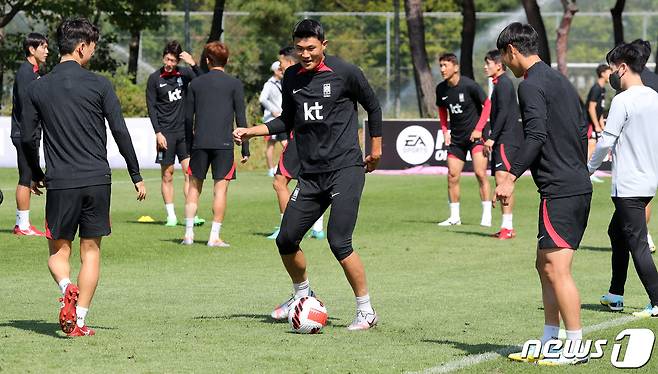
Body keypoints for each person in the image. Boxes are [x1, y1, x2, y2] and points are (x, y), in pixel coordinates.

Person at [233, 19, 382, 330]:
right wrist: (253, 132)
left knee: (338, 240)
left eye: (311, 48)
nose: (305, 54)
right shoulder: (290, 77)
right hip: (311, 175)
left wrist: (376, 149)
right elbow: (287, 119)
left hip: (345, 170)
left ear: (323, 46)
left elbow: (373, 105)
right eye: (300, 48)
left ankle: (366, 310)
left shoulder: (345, 72)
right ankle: (301, 295)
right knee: (286, 239)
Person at [21, 18, 147, 337]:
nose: (92, 51)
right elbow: (120, 132)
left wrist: (36, 174)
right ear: (81, 46)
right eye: (92, 46)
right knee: (90, 251)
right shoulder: (100, 85)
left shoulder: (38, 87)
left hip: (61, 182)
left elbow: (26, 138)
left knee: (57, 252)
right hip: (97, 180)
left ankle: (67, 288)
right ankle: (77, 320)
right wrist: (136, 175)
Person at [495, 22, 592, 365]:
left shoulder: (531, 84)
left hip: (561, 188)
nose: (505, 64)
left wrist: (509, 177)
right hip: (570, 184)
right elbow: (583, 131)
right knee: (544, 263)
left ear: (512, 51)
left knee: (557, 268)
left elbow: (534, 135)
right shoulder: (558, 80)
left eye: (504, 58)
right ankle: (550, 339)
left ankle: (576, 346)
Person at [592, 41, 658, 319]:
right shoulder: (654, 97)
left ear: (622, 67)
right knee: (616, 232)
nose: (610, 76)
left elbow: (607, 140)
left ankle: (657, 301)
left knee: (638, 243)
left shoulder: (623, 100)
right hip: (648, 181)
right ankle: (615, 294)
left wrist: (587, 168)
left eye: (611, 69)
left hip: (629, 184)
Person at [182, 41, 249, 247]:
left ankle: (188, 234)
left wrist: (188, 146)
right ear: (226, 61)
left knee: (194, 188)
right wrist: (245, 148)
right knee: (220, 191)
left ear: (208, 60)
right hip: (224, 144)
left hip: (199, 143)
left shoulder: (196, 84)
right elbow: (241, 118)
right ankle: (214, 237)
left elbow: (186, 118)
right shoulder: (235, 84)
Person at [268, 46, 325, 241]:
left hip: (298, 139)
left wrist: (285, 138)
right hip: (317, 139)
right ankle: (317, 228)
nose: (279, 66)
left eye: (282, 62)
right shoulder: (313, 78)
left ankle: (286, 227)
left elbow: (288, 117)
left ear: (291, 63)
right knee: (312, 181)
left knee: (279, 182)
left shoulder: (290, 80)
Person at [146, 41, 204, 227]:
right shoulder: (155, 78)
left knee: (190, 173)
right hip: (166, 134)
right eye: (167, 59)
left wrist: (192, 63)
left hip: (185, 133)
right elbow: (151, 108)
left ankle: (191, 214)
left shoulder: (185, 74)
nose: (169, 63)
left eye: (173, 60)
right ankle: (171, 216)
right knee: (167, 174)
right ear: (163, 57)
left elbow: (204, 82)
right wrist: (158, 132)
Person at [436, 53, 492, 227]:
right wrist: (445, 130)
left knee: (480, 173)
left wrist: (478, 129)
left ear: (456, 67)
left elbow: (488, 104)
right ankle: (454, 217)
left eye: (445, 65)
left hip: (475, 138)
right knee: (452, 176)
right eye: (441, 66)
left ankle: (487, 215)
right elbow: (442, 111)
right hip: (457, 140)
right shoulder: (441, 89)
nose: (442, 69)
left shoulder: (470, 85)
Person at [10, 33, 49, 236]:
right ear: (32, 50)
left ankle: (24, 223)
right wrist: (30, 136)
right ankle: (22, 225)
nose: (47, 51)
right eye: (43, 47)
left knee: (28, 176)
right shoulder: (26, 73)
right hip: (24, 132)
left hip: (29, 132)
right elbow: (27, 109)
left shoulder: (33, 72)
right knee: (25, 176)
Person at [482, 49, 522, 240]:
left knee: (503, 181)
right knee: (501, 181)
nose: (485, 67)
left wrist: (493, 136)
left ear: (499, 65)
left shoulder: (504, 84)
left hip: (507, 140)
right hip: (504, 139)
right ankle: (507, 227)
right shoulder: (499, 84)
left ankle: (508, 227)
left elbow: (504, 113)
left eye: (488, 63)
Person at [585, 64, 611, 184]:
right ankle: (585, 173)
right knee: (591, 146)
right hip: (589, 123)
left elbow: (599, 110)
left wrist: (602, 125)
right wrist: (596, 125)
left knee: (594, 146)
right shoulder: (596, 88)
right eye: (608, 72)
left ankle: (587, 173)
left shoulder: (602, 89)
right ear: (602, 74)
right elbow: (591, 108)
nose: (610, 74)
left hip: (595, 123)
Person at [259, 60, 286, 177]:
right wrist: (273, 110)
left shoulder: (282, 82)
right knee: (273, 144)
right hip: (272, 119)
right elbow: (262, 99)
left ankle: (277, 167)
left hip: (282, 117)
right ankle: (271, 169)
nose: (282, 71)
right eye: (280, 69)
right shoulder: (269, 84)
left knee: (282, 143)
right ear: (275, 70)